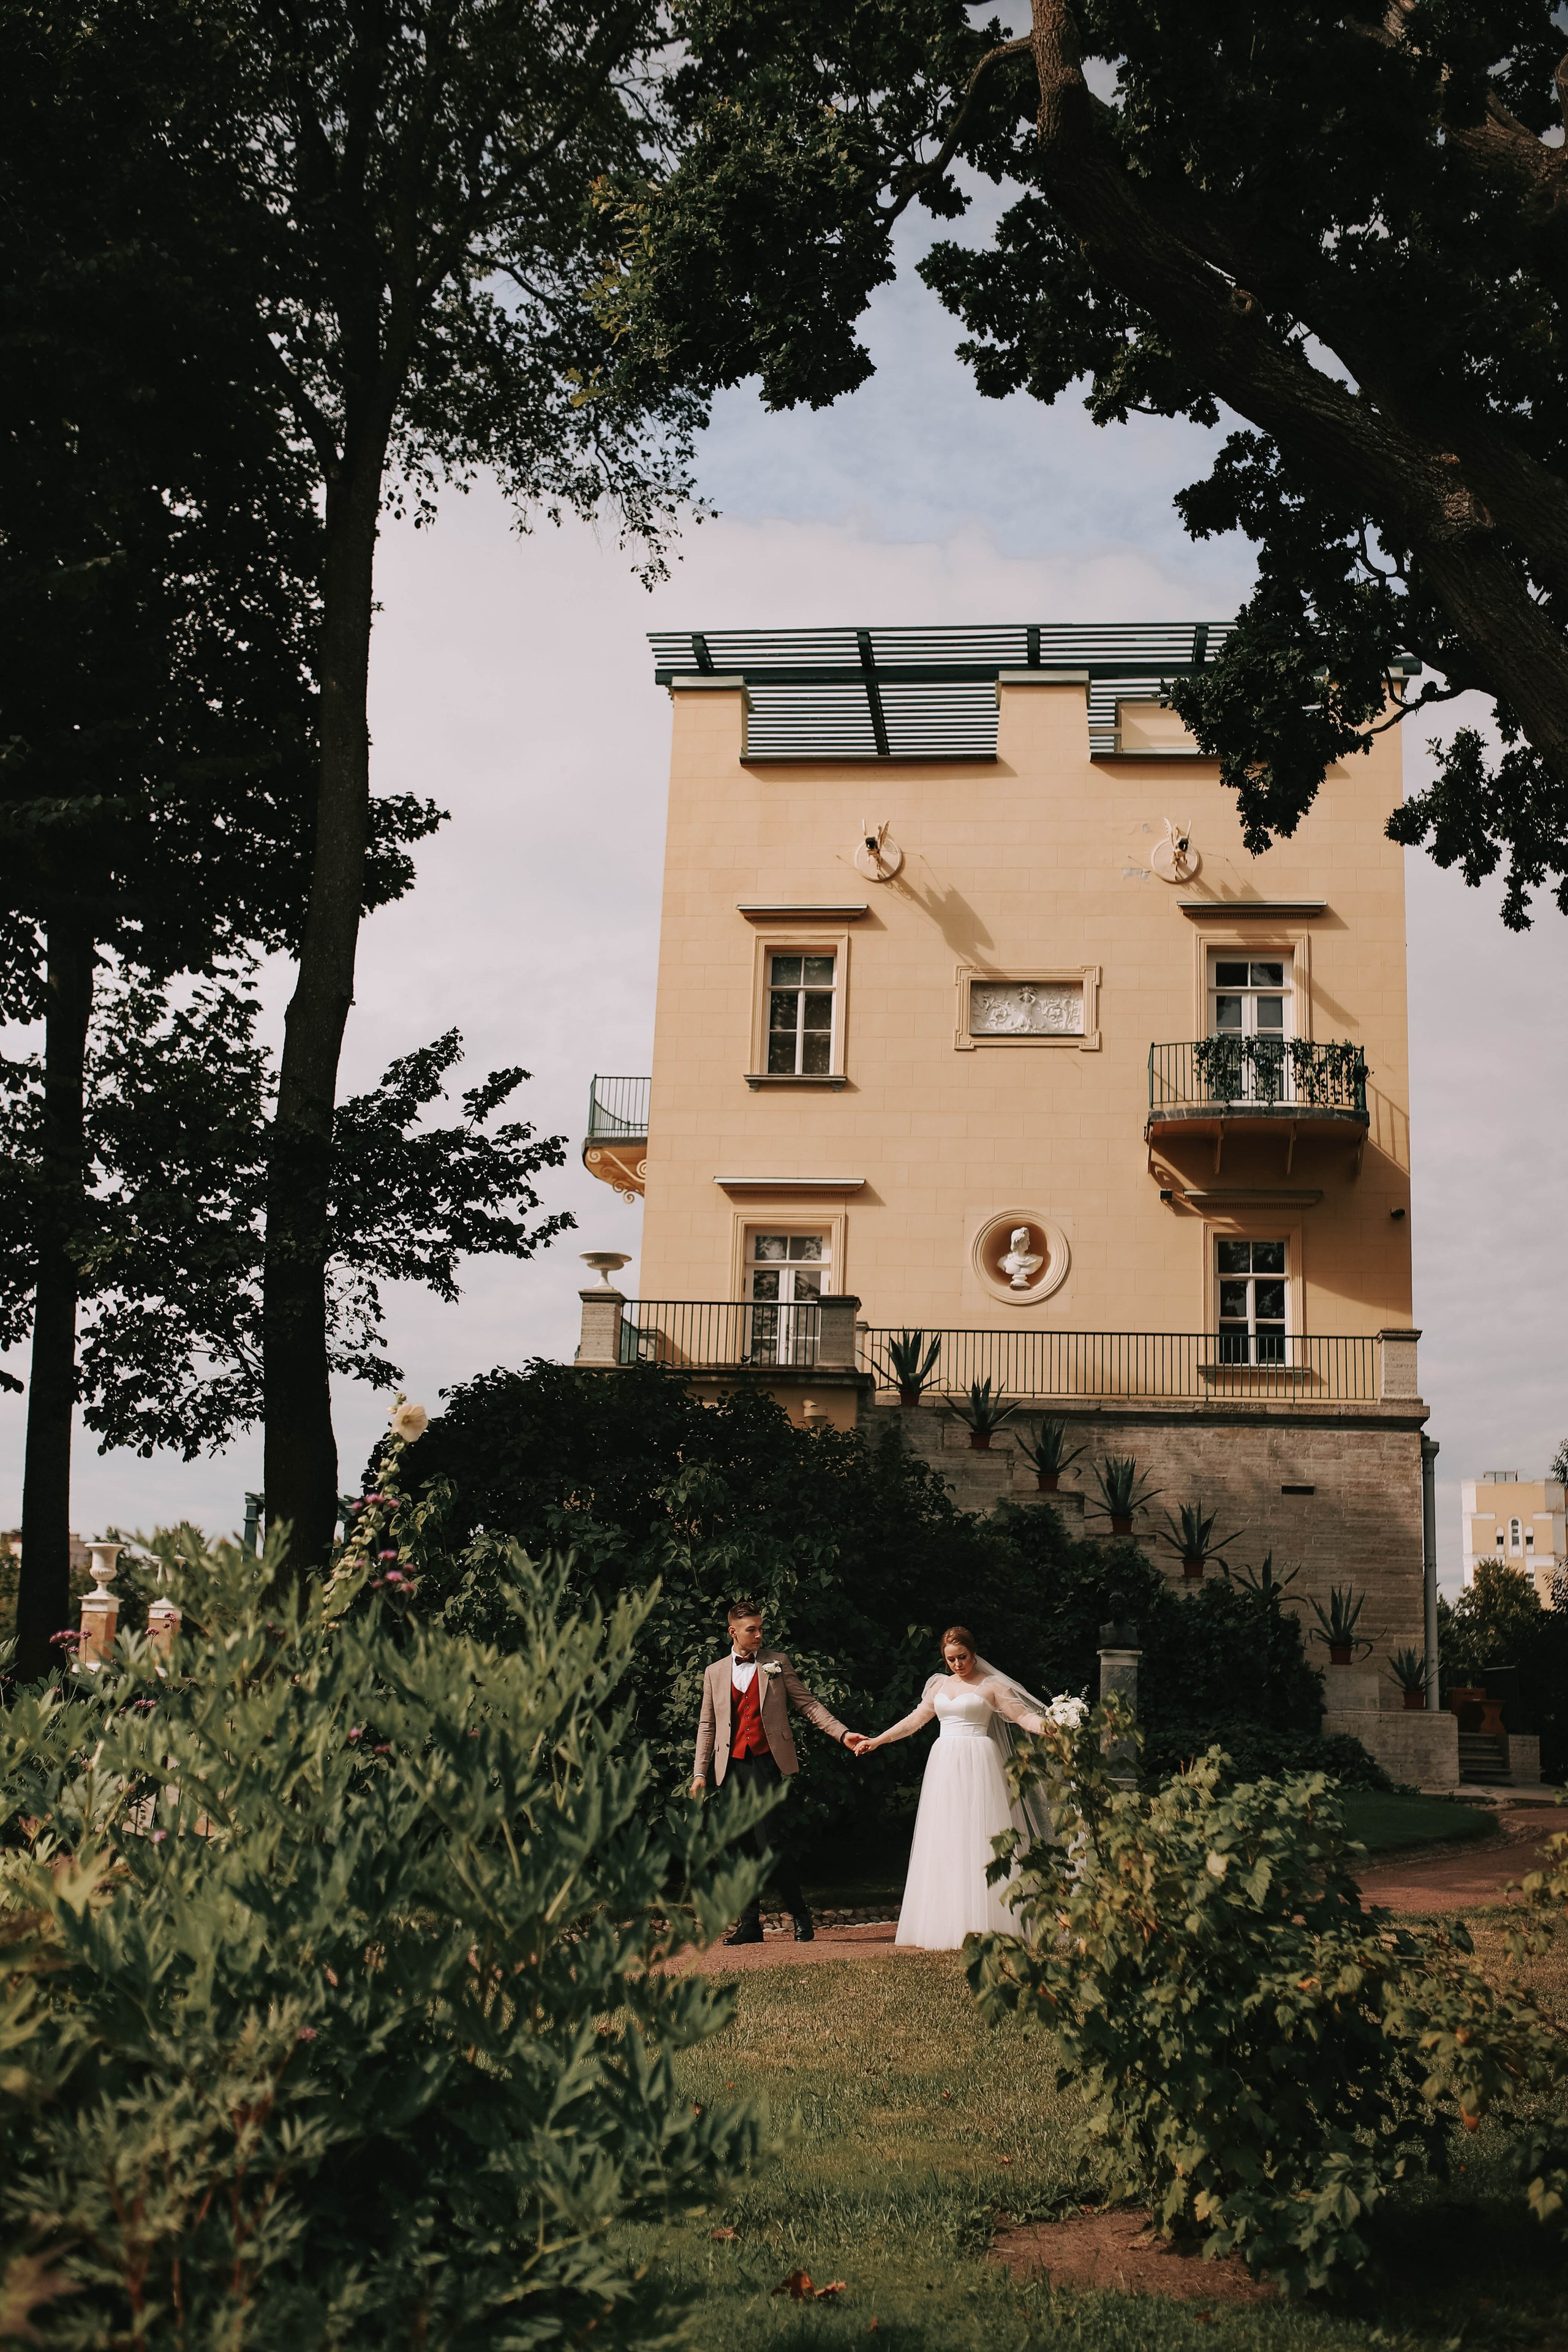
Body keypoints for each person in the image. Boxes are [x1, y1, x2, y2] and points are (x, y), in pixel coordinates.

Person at [850, 1625, 1061, 1951]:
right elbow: (914, 1721)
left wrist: (1052, 1726)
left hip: (979, 1760)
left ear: (974, 1654)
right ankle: (944, 1922)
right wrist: (878, 1740)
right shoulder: (939, 1685)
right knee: (945, 1835)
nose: (958, 1664)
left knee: (982, 1834)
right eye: (951, 1659)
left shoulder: (993, 1686)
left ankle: (990, 1922)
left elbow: (1022, 1718)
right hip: (945, 1762)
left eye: (962, 1657)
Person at [691, 1599, 861, 1945]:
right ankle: (750, 1925)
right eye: (751, 1629)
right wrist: (699, 1773)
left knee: (770, 1842)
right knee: (741, 1847)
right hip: (729, 1767)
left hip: (764, 1762)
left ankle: (800, 1916)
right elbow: (707, 1725)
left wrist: (842, 1734)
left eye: (760, 1628)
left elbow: (808, 1704)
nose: (758, 1635)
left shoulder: (777, 1663)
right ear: (733, 1632)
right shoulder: (714, 1672)